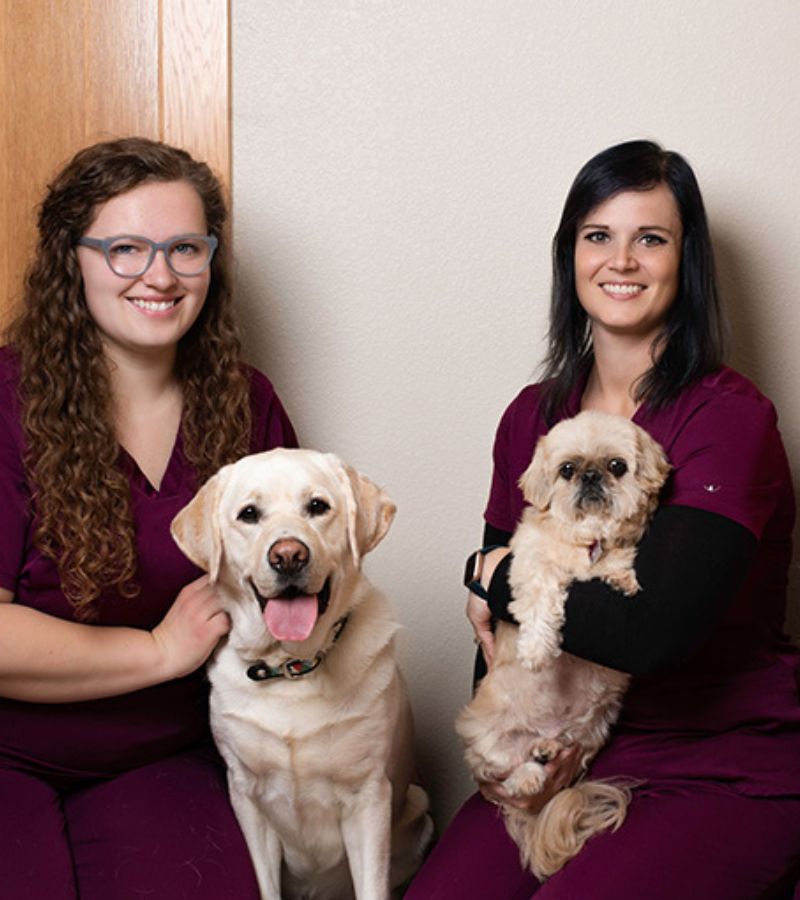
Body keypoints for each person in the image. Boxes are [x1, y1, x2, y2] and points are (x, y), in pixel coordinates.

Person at [406, 140, 800, 899]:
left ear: (686, 263)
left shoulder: (729, 420)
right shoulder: (534, 417)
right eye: (598, 236)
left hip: (719, 761)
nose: (622, 260)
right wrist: (517, 762)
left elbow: (650, 631)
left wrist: (488, 573)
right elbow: (499, 632)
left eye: (650, 238)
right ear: (570, 258)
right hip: (564, 747)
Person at [0, 137, 297, 899]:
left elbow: (304, 595)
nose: (159, 276)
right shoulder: (6, 400)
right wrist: (159, 652)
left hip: (165, 753)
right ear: (74, 258)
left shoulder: (247, 403)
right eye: (125, 248)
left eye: (184, 248)